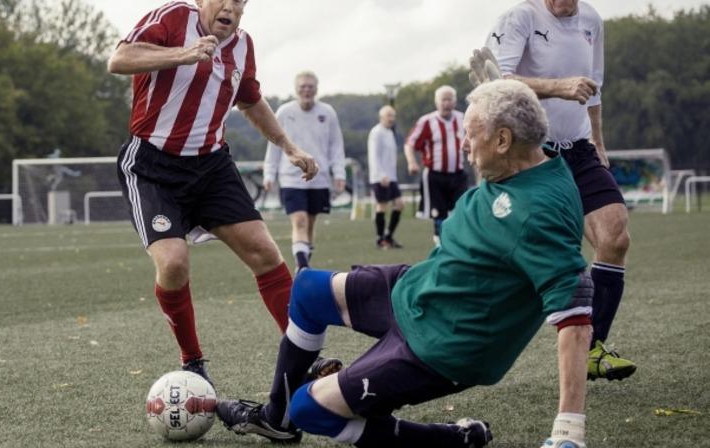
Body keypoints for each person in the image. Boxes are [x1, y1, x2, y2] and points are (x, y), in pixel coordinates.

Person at [217, 80, 594, 448]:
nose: (462, 144)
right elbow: (521, 121)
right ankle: (275, 421)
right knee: (308, 289)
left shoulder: (537, 212)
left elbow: (575, 319)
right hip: (420, 288)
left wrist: (568, 431)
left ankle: (450, 438)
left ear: (502, 140)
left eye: (470, 133)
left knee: (311, 409)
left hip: (443, 343)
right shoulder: (528, 157)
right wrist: (499, 92)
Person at [106, 0, 319, 385]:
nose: (229, 7)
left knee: (265, 253)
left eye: (239, 1)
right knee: (173, 263)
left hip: (211, 165)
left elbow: (252, 102)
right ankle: (192, 361)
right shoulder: (171, 18)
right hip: (152, 165)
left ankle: (306, 360)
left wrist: (290, 147)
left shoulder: (243, 46)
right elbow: (119, 59)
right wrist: (181, 54)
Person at [475, 0, 635, 381]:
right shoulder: (519, 19)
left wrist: (598, 142)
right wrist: (557, 87)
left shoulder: (592, 21)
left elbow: (594, 87)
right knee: (523, 257)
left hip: (579, 149)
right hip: (531, 154)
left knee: (614, 237)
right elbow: (495, 83)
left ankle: (594, 348)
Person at [264, 71, 346, 273]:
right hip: (291, 177)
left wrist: (339, 173)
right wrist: (269, 173)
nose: (306, 90)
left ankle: (304, 260)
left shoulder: (327, 112)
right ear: (296, 89)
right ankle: (302, 267)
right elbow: (274, 144)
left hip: (319, 177)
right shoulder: (284, 111)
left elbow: (336, 145)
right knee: (299, 220)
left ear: (316, 89)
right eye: (303, 86)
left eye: (310, 86)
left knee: (309, 223)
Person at [404, 85, 467, 245]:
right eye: (443, 100)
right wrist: (412, 162)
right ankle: (440, 242)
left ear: (455, 101)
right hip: (435, 175)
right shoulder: (427, 121)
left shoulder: (463, 118)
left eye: (449, 99)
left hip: (458, 174)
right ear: (436, 102)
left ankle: (458, 240)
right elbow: (410, 143)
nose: (446, 103)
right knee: (438, 212)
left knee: (461, 209)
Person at [367, 105, 404, 249]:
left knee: (400, 204)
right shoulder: (376, 132)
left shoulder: (389, 132)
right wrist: (381, 174)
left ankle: (388, 237)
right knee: (382, 206)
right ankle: (380, 238)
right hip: (380, 177)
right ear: (381, 117)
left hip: (391, 177)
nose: (391, 119)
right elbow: (374, 155)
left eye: (393, 116)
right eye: (389, 116)